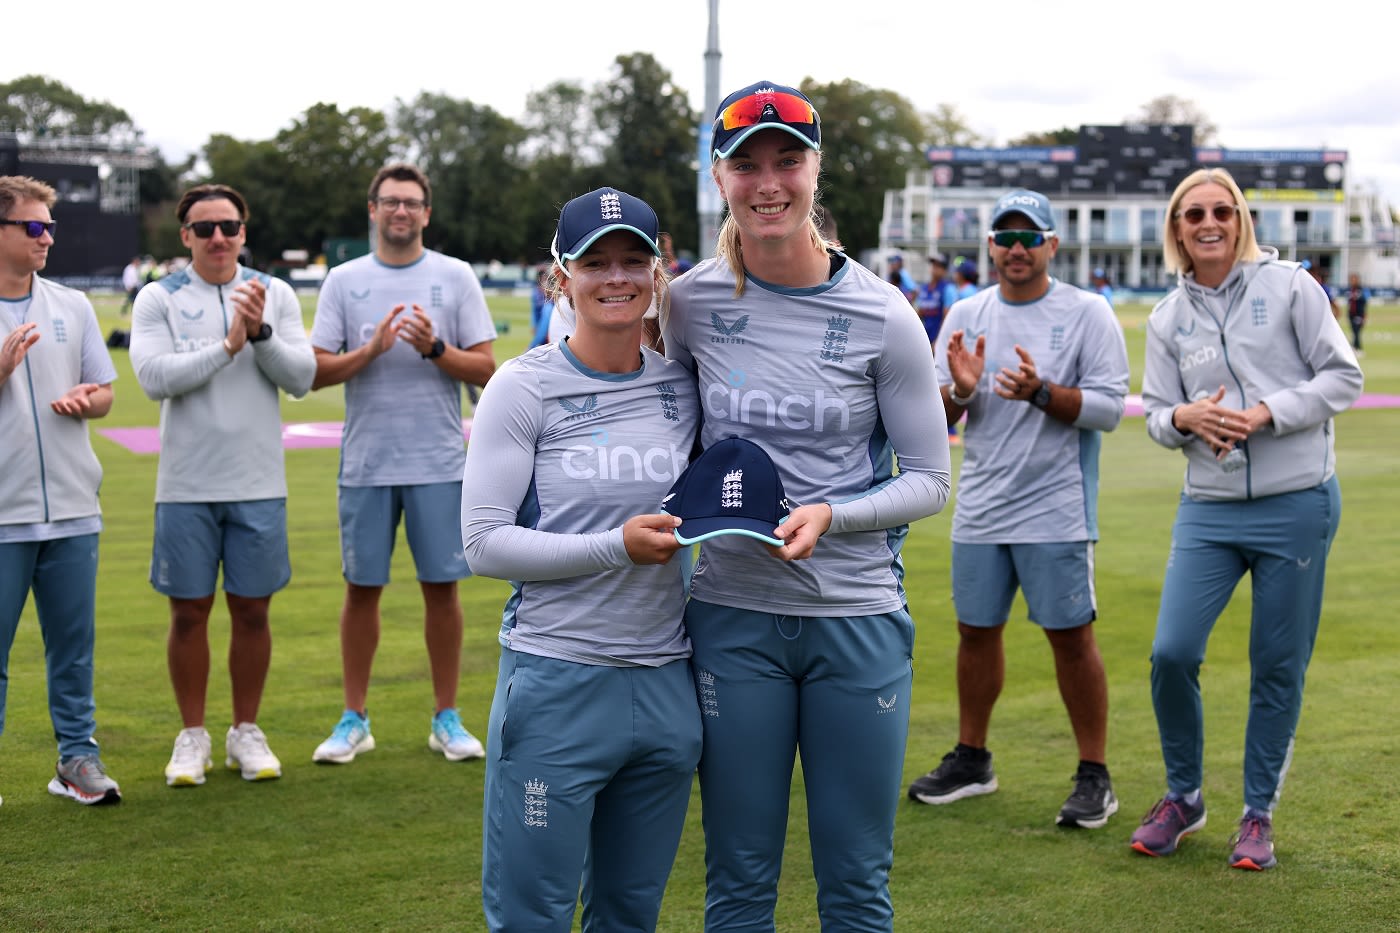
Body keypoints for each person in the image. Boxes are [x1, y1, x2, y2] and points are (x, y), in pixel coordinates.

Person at [664, 80, 952, 931]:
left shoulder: (884, 313)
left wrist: (834, 512)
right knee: (738, 879)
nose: (768, 182)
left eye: (787, 160)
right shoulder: (688, 303)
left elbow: (930, 479)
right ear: (719, 178)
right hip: (731, 615)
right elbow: (665, 445)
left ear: (816, 170)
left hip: (855, 615)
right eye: (745, 164)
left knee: (856, 884)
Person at [461, 186, 702, 931]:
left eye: (634, 259)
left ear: (659, 272)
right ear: (561, 276)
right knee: (531, 914)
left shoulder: (683, 386)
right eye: (595, 262)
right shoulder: (522, 386)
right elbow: (483, 543)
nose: (616, 277)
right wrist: (614, 547)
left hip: (666, 684)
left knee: (630, 914)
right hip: (556, 680)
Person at [1132, 168, 1362, 870]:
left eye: (1222, 211)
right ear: (1177, 230)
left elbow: (1342, 376)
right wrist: (1184, 416)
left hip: (1297, 503)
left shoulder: (1291, 286)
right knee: (1172, 652)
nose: (1209, 223)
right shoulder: (1166, 318)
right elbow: (1155, 412)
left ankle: (1257, 813)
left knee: (1276, 665)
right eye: (1194, 213)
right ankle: (1183, 797)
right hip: (1209, 508)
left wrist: (1266, 412)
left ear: (1240, 221)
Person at [907, 188, 1131, 830]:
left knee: (1071, 637)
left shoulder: (1087, 312)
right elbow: (936, 416)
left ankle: (1095, 773)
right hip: (982, 503)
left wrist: (1040, 392)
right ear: (990, 247)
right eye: (1005, 238)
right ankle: (973, 758)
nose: (1016, 249)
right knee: (975, 632)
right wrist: (961, 393)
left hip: (1058, 506)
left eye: (1029, 237)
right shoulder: (967, 313)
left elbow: (1110, 408)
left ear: (1052, 245)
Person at [308, 163, 497, 765]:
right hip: (366, 463)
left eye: (411, 203)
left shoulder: (454, 275)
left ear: (426, 214)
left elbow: (487, 370)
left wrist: (434, 348)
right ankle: (354, 718)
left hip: (437, 461)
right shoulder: (343, 280)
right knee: (361, 590)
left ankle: (446, 717)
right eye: (390, 202)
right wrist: (371, 350)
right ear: (373, 210)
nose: (400, 211)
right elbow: (316, 371)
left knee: (442, 590)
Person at [129, 183, 316, 787]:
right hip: (185, 484)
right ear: (185, 235)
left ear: (243, 231)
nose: (218, 238)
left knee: (253, 611)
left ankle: (245, 730)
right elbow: (154, 378)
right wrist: (228, 345)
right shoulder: (158, 296)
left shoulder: (274, 293)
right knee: (188, 614)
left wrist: (259, 335)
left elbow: (302, 377)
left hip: (257, 481)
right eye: (205, 228)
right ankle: (192, 736)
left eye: (229, 227)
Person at [0, 175, 121, 807]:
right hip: (3, 515)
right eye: (33, 226)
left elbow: (105, 392)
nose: (47, 237)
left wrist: (86, 399)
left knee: (73, 652)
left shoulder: (72, 305)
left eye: (50, 226)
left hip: (74, 507)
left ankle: (77, 759)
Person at [917, 253, 962, 445]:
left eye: (938, 266)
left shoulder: (948, 289)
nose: (934, 269)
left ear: (944, 269)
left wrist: (939, 341)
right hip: (923, 342)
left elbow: (948, 315)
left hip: (938, 345)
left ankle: (950, 430)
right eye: (932, 265)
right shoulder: (925, 289)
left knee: (939, 384)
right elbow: (918, 313)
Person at [1344, 272, 1369, 353]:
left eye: (1354, 279)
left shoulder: (1361, 290)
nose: (1352, 281)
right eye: (1351, 279)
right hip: (1351, 314)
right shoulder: (1350, 290)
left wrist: (1363, 315)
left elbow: (1364, 302)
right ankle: (1355, 347)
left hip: (1359, 314)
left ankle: (1358, 348)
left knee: (1356, 331)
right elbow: (1349, 301)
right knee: (1353, 331)